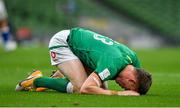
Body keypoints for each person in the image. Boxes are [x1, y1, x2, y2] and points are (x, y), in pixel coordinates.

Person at [15, 27, 152, 96]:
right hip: (64, 43)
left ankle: (59, 76)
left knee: (101, 90)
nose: (124, 88)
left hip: (82, 49)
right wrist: (120, 94)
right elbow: (86, 89)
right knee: (80, 87)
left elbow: (140, 79)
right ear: (132, 81)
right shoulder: (111, 64)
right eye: (127, 87)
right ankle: (36, 80)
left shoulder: (133, 61)